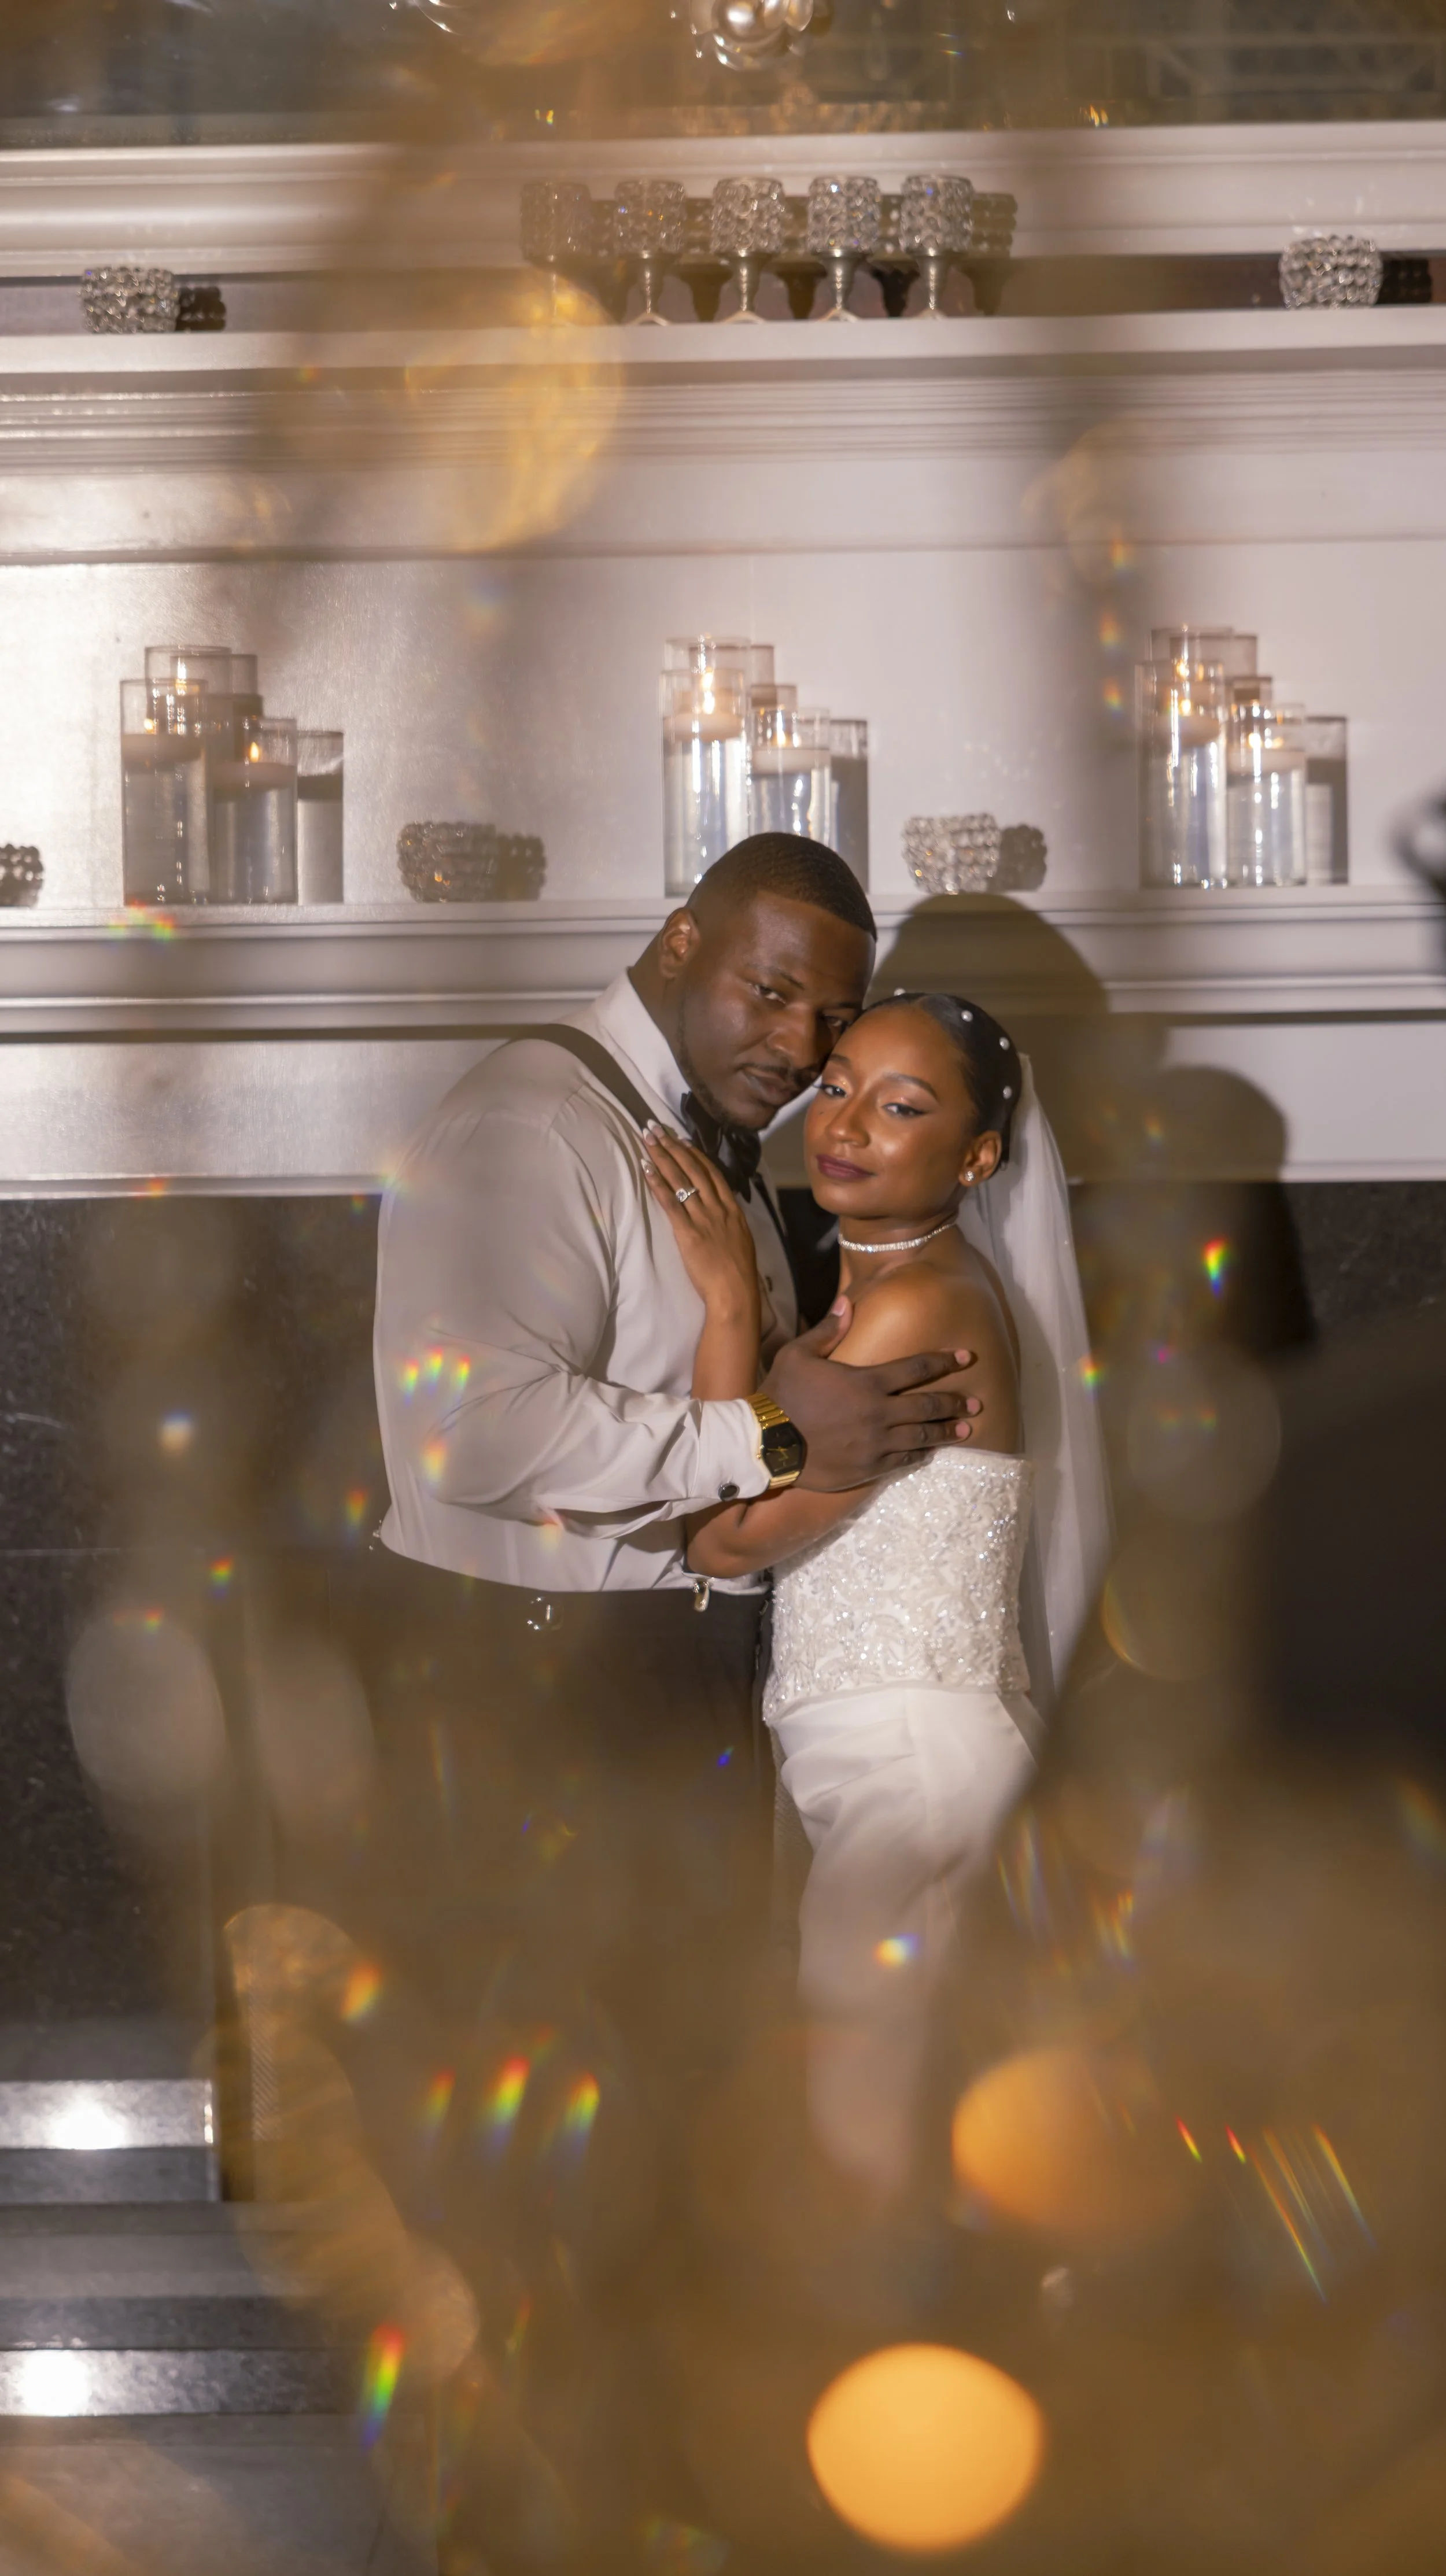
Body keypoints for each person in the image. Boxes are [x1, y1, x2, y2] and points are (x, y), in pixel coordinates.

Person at [362, 840, 988, 2075]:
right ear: (678, 942)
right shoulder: (528, 1124)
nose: (802, 1050)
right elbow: (467, 1433)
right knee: (546, 2108)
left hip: (656, 1676)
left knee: (666, 2107)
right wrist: (771, 1435)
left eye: (830, 1018)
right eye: (769, 994)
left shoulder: (707, 1149)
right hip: (534, 1685)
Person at [643, 990, 1110, 2192]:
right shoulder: (879, 1290)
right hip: (888, 1761)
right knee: (915, 2137)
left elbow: (720, 1537)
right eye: (838, 1082)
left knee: (871, 2159)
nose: (843, 1121)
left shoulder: (918, 1311)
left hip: (912, 1764)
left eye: (900, 1105)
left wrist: (732, 1305)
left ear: (976, 1156)